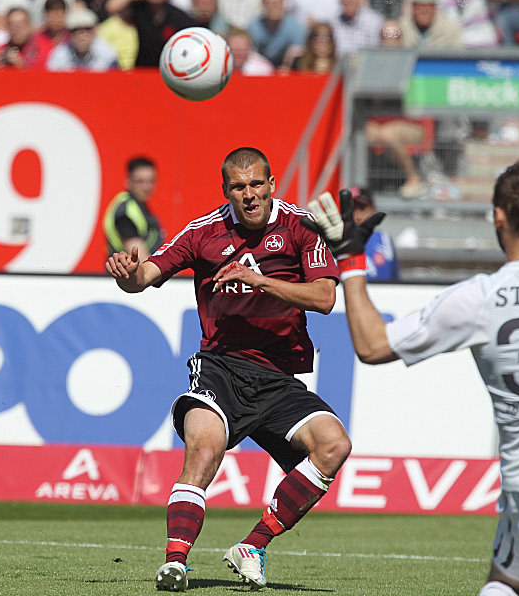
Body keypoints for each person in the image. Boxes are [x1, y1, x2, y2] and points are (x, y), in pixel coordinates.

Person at [302, 116, 519, 596]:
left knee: (509, 584)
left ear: (498, 218)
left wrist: (350, 262)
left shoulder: (475, 299)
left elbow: (370, 346)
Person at [106, 147, 351, 592]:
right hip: (221, 368)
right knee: (203, 451)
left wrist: (262, 281)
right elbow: (145, 276)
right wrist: (126, 274)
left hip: (278, 378)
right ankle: (175, 562)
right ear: (226, 191)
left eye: (257, 184)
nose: (250, 195)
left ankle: (252, 546)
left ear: (272, 184)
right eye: (239, 187)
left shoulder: (300, 226)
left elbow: (324, 298)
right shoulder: (204, 232)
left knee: (334, 446)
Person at [103, 157, 164, 259]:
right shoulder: (125, 211)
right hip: (127, 274)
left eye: (151, 181)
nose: (146, 187)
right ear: (128, 181)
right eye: (140, 181)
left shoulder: (140, 206)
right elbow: (140, 258)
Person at [46, 6, 119, 70]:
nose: (81, 36)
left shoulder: (108, 55)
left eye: (87, 29)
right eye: (75, 30)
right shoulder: (59, 56)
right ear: (69, 33)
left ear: (94, 32)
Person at [350, 186, 399, 281]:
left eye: (362, 208)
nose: (357, 214)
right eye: (352, 208)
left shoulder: (384, 239)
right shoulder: (332, 242)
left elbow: (396, 279)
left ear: (373, 209)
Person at [247, 0, 305, 70]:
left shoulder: (296, 27)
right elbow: (250, 53)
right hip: (260, 69)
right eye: (269, 3)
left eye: (276, 3)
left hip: (286, 70)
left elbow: (297, 53)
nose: (273, 7)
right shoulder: (254, 26)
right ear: (263, 4)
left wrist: (286, 67)